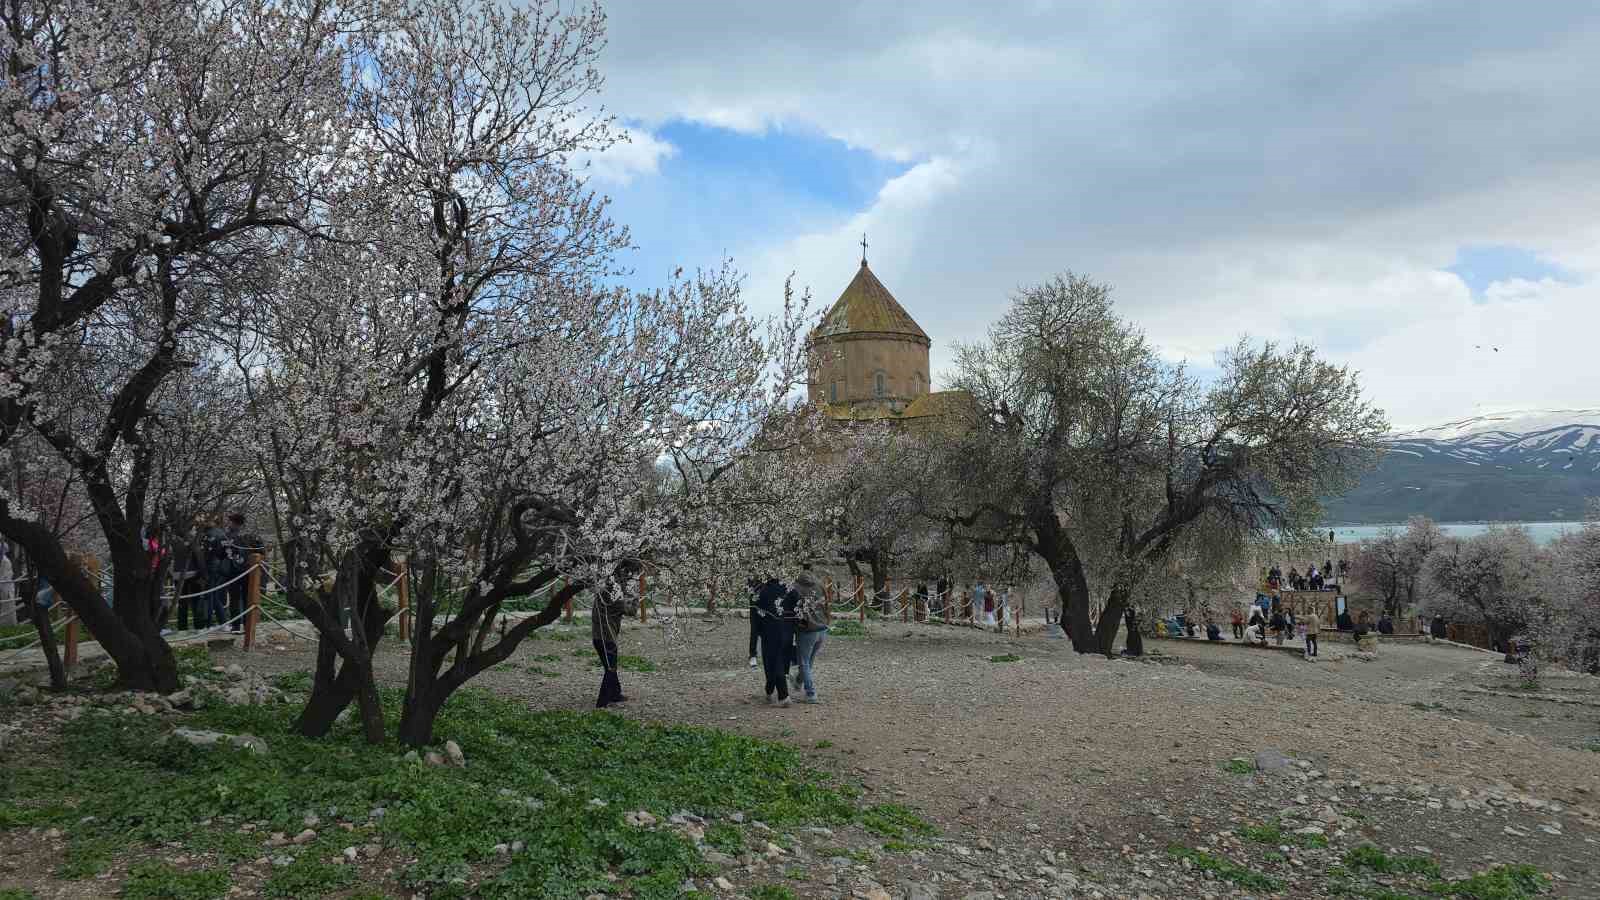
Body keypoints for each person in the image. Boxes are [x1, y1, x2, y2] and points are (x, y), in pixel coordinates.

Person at [789, 564, 829, 703]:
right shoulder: (820, 584)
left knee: (804, 662)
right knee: (809, 661)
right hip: (822, 627)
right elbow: (827, 604)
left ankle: (811, 693)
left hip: (807, 629)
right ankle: (798, 681)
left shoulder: (795, 587)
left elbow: (791, 608)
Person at [591, 582, 635, 708]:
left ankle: (615, 693)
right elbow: (632, 611)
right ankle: (602, 702)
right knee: (610, 669)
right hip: (607, 639)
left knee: (610, 667)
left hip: (597, 638)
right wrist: (636, 598)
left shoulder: (599, 597)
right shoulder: (616, 602)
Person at [754, 575, 793, 706]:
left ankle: (783, 695)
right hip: (786, 629)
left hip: (768, 632)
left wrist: (752, 650)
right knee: (779, 662)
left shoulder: (761, 592)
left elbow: (755, 620)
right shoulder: (787, 588)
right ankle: (771, 691)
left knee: (772, 663)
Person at [746, 578, 762, 669]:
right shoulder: (752, 575)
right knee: (755, 630)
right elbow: (750, 588)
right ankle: (753, 655)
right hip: (755, 603)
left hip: (768, 602)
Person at [0, 542, 14, 627]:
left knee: (6, 607)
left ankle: (6, 625)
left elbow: (5, 576)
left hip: (6, 587)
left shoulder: (6, 561)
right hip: (3, 586)